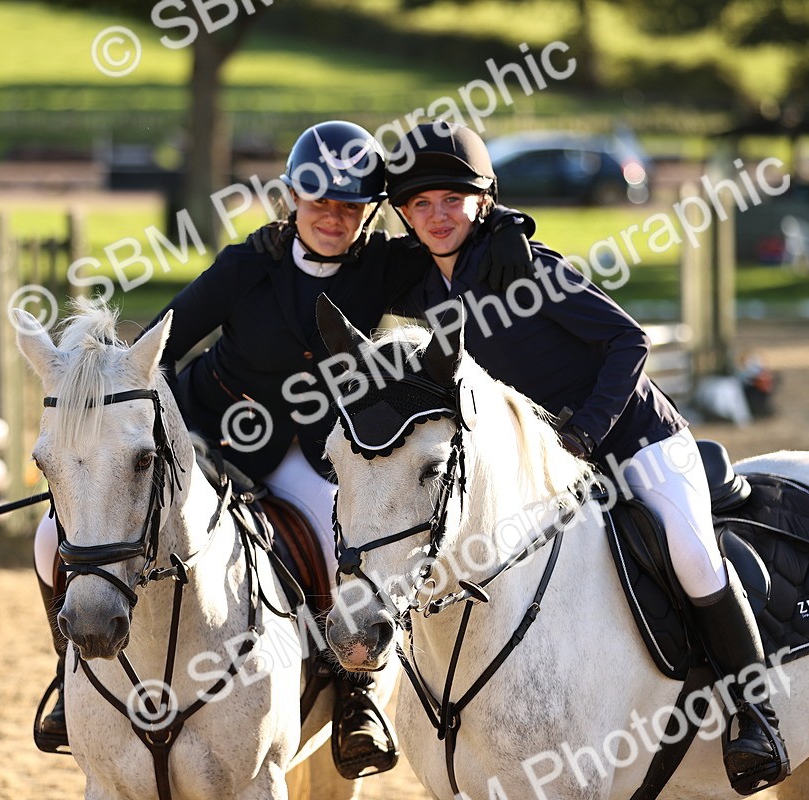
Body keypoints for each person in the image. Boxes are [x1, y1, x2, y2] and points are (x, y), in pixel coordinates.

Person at [32, 119, 536, 778]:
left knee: (342, 545)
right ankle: (68, 684)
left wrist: (503, 229)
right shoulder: (246, 265)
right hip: (209, 436)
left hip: (311, 452)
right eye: (318, 201)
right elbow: (164, 341)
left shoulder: (385, 265)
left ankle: (356, 698)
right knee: (51, 537)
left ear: (368, 212)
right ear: (291, 198)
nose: (333, 217)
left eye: (349, 206)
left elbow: (451, 247)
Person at [383, 120, 789, 794]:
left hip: (636, 443)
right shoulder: (423, 289)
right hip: (547, 472)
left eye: (452, 200)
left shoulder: (531, 268)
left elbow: (628, 342)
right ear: (403, 214)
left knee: (689, 553)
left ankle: (755, 713)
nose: (437, 216)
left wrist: (586, 432)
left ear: (482, 200)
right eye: (420, 204)